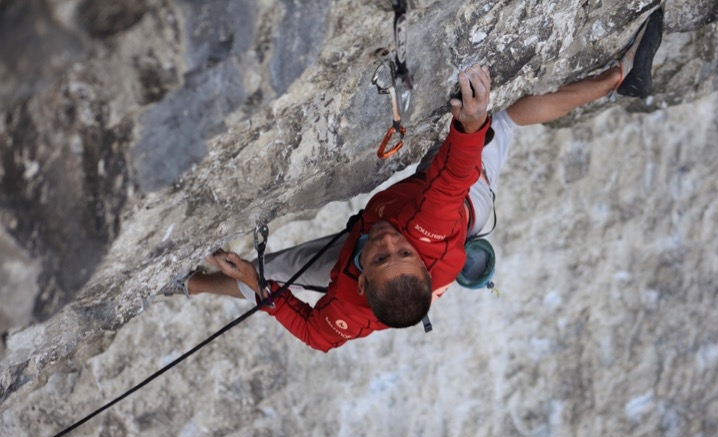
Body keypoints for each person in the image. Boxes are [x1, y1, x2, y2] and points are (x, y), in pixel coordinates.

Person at [160, 9, 664, 352]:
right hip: (466, 205)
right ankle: (618, 79)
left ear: (358, 279)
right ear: (419, 261)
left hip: (378, 241)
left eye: (380, 257)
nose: (389, 242)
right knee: (505, 121)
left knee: (263, 272)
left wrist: (254, 281)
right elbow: (450, 183)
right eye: (403, 254)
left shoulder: (349, 312)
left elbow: (312, 333)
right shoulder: (427, 233)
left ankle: (196, 284)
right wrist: (471, 125)